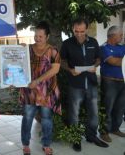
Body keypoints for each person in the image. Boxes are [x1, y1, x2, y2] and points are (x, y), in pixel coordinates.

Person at [60, 18, 109, 152]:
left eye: (82, 31)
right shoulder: (67, 44)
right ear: (73, 29)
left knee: (93, 112)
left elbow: (98, 59)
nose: (79, 34)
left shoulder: (93, 42)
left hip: (91, 83)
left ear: (86, 29)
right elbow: (61, 61)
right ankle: (75, 138)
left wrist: (95, 66)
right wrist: (70, 70)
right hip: (75, 84)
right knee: (74, 113)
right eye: (76, 31)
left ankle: (92, 136)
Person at [19, 21, 61, 155]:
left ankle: (46, 144)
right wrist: (18, 51)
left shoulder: (53, 51)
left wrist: (37, 81)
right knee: (27, 117)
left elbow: (55, 70)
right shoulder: (27, 49)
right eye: (36, 35)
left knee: (46, 119)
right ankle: (25, 144)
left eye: (40, 36)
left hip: (46, 91)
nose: (37, 38)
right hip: (29, 91)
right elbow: (18, 64)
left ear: (47, 37)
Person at [99, 26, 125, 142]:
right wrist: (121, 60)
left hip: (122, 82)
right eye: (120, 35)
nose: (122, 37)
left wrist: (120, 60)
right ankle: (104, 132)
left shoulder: (121, 47)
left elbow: (118, 61)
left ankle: (115, 128)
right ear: (113, 36)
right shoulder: (103, 48)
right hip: (109, 82)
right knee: (107, 107)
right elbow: (112, 61)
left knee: (120, 108)